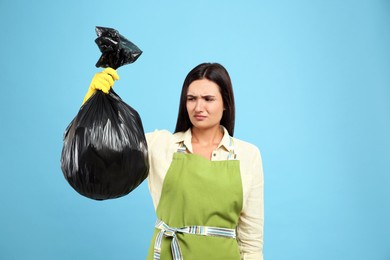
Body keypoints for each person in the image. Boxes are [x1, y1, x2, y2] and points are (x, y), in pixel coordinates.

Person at [83, 63, 264, 260]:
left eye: (208, 99)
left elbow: (251, 242)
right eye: (191, 99)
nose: (198, 107)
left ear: (226, 103)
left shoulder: (247, 155)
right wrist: (92, 105)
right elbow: (103, 153)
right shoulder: (161, 145)